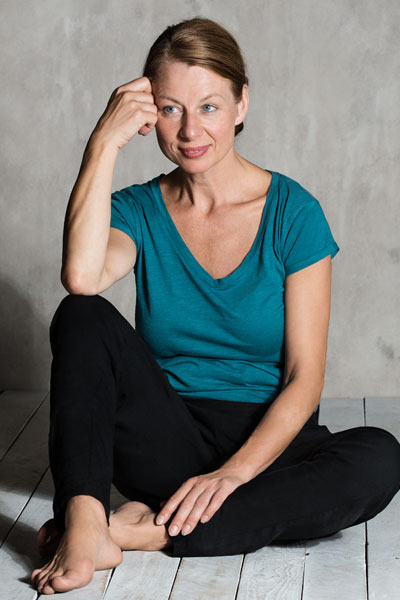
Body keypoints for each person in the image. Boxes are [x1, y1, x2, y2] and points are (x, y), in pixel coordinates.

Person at [31, 16, 400, 596]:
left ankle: (145, 530)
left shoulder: (294, 212)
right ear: (148, 114)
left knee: (380, 456)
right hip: (166, 439)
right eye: (170, 109)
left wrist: (233, 473)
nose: (189, 130)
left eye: (208, 107)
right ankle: (85, 521)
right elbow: (81, 277)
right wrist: (102, 143)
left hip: (267, 446)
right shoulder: (138, 209)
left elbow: (304, 378)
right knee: (80, 313)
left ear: (240, 103)